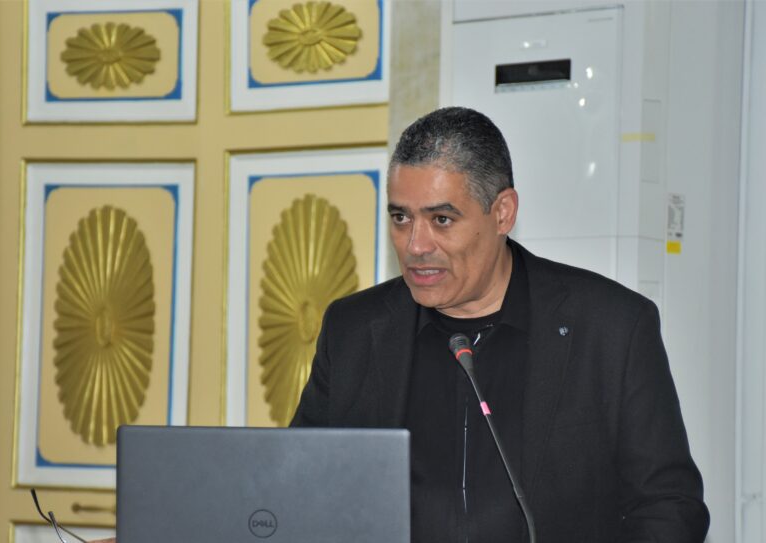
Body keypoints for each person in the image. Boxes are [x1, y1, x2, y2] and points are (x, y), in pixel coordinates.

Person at [291, 107, 710, 542]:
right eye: (401, 218)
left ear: (503, 213)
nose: (415, 245)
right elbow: (300, 487)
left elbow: (668, 507)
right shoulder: (354, 330)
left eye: (441, 220)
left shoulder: (611, 328)